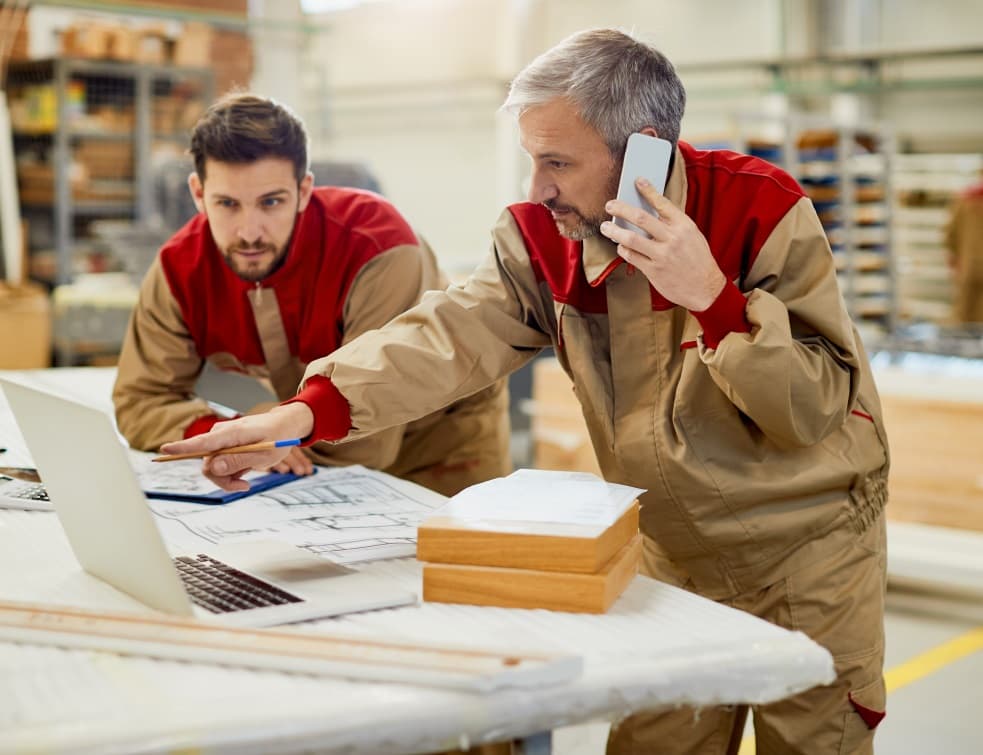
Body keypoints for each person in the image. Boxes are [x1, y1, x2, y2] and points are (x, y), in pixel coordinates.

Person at [161, 30, 891, 755]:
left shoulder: (759, 208)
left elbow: (812, 406)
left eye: (556, 162)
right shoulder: (544, 234)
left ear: (641, 150)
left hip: (809, 550)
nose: (535, 186)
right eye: (531, 159)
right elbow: (449, 334)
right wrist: (306, 408)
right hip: (673, 552)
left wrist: (710, 295)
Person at [113, 93, 510, 497]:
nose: (249, 231)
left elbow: (367, 441)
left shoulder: (378, 248)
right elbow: (139, 400)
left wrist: (269, 431)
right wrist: (226, 436)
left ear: (304, 191)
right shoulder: (181, 269)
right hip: (304, 443)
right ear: (198, 194)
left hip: (440, 445)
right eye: (228, 204)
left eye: (271, 202)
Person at [944, 177, 983, 323]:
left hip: (969, 266)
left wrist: (956, 257)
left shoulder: (965, 199)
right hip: (969, 266)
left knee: (966, 316)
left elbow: (950, 234)